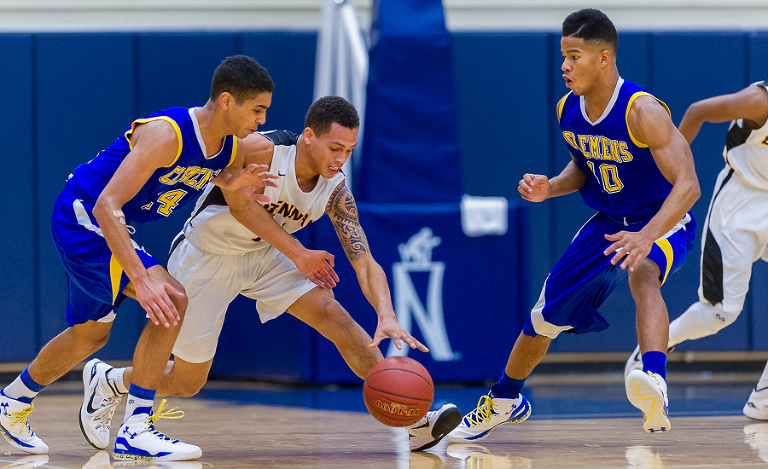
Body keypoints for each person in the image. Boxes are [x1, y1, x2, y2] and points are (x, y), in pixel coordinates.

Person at [78, 96, 463, 453]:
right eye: (334, 148)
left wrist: (387, 314)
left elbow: (364, 260)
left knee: (334, 314)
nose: (340, 159)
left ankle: (410, 418)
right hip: (206, 254)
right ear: (308, 136)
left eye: (348, 151)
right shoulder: (262, 148)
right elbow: (231, 196)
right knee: (187, 381)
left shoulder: (336, 191)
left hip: (266, 255)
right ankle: (112, 380)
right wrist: (298, 253)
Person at [0, 55, 336, 462]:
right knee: (171, 297)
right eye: (257, 109)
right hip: (86, 216)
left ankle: (11, 403)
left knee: (91, 336)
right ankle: (136, 428)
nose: (262, 120)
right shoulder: (167, 133)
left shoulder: (229, 149)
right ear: (227, 101)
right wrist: (140, 279)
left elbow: (219, 180)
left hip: (106, 222)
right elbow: (108, 206)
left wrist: (238, 186)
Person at [447, 8, 700, 442]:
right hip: (608, 221)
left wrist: (647, 235)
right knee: (543, 318)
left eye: (574, 55)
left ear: (604, 58)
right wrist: (551, 186)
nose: (564, 65)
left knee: (643, 274)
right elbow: (583, 169)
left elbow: (689, 186)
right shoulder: (569, 108)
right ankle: (505, 400)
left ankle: (654, 379)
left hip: (664, 217)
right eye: (563, 55)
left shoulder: (643, 111)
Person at [624, 81, 768, 420]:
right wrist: (669, 173)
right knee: (721, 312)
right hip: (740, 204)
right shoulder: (758, 101)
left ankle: (763, 401)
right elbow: (697, 111)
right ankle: (655, 346)